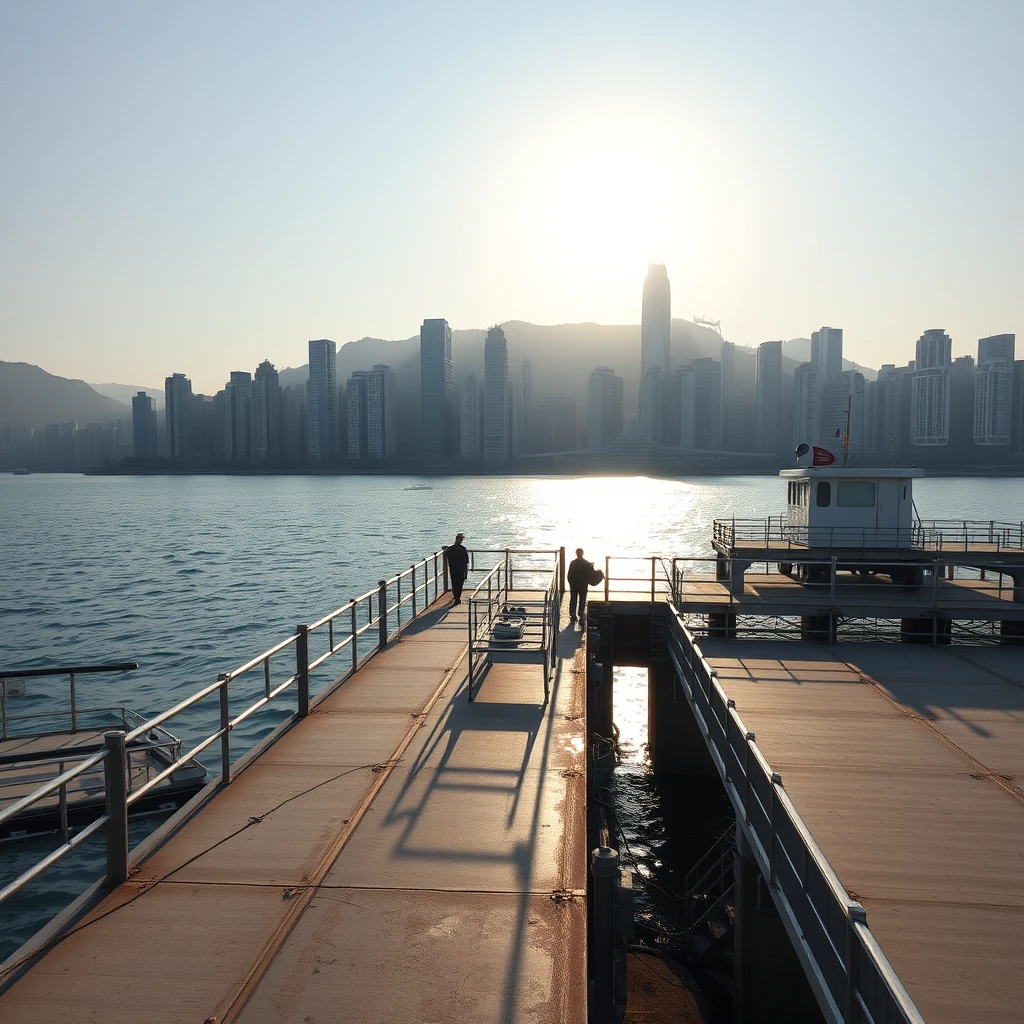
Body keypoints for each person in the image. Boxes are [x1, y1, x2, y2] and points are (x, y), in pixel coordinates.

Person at [566, 547, 594, 622]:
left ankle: (572, 614)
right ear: (582, 553)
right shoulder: (587, 563)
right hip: (583, 584)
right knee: (582, 599)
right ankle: (581, 613)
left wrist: (570, 583)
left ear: (576, 553)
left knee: (573, 599)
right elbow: (590, 575)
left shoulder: (573, 563)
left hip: (574, 584)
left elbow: (569, 575)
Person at [444, 532, 469, 605]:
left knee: (454, 583)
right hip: (461, 570)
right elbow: (466, 562)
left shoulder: (450, 549)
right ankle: (458, 598)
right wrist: (466, 572)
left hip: (453, 569)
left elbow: (446, 551)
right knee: (460, 584)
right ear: (461, 540)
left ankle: (456, 597)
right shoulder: (463, 549)